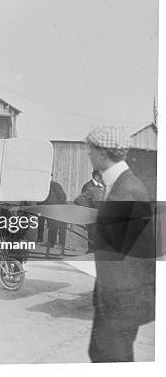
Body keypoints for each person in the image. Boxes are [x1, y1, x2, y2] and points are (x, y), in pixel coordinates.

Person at [85, 126, 155, 362]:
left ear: (103, 153)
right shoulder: (121, 185)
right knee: (103, 354)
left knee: (111, 358)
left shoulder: (125, 190)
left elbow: (118, 253)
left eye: (91, 150)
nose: (89, 155)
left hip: (120, 301)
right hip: (117, 298)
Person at [74, 170, 105, 253]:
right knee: (93, 238)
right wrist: (90, 210)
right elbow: (79, 200)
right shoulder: (91, 188)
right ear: (97, 177)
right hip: (93, 219)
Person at [36, 176, 67, 253]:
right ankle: (40, 239)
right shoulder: (40, 186)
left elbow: (62, 196)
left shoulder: (55, 185)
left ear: (51, 177)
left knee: (53, 225)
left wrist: (58, 207)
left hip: (53, 210)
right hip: (42, 208)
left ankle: (52, 243)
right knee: (40, 222)